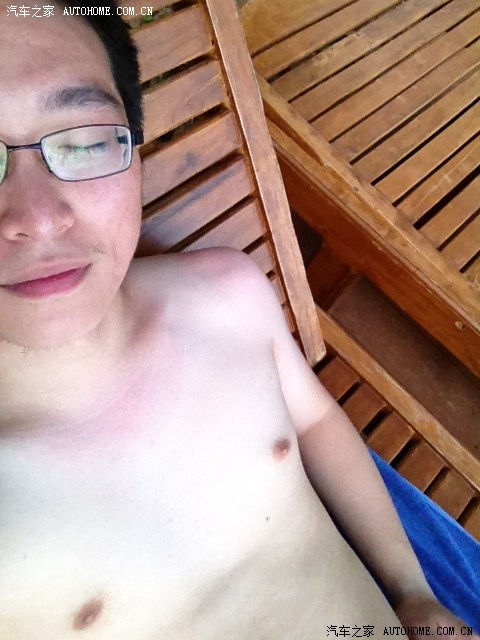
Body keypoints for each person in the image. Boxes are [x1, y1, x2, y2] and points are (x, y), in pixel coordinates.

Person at [0, 1, 477, 638]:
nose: (37, 218)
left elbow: (313, 419)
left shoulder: (227, 295)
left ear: (136, 152)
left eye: (83, 141)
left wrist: (414, 594)